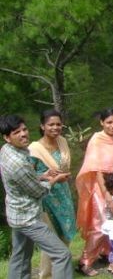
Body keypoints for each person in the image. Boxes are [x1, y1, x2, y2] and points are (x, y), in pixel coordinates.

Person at [0, 115, 73, 279]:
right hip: (28, 218)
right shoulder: (17, 163)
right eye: (16, 132)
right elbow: (38, 191)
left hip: (16, 214)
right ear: (7, 137)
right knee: (62, 255)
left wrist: (42, 174)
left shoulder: (7, 150)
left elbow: (22, 180)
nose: (23, 134)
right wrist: (55, 180)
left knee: (20, 258)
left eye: (24, 129)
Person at [76, 108, 113, 276]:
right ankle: (84, 262)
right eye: (109, 122)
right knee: (99, 226)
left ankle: (106, 254)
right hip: (101, 190)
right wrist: (106, 194)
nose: (112, 126)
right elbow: (97, 169)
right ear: (101, 122)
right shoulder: (96, 140)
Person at [28, 110, 77, 279]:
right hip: (46, 199)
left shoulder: (62, 141)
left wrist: (63, 176)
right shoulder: (34, 149)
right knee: (50, 239)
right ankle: (46, 275)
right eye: (51, 124)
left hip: (64, 195)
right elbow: (28, 176)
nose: (55, 127)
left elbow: (64, 166)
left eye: (58, 124)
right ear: (42, 126)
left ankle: (60, 272)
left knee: (66, 233)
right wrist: (51, 177)